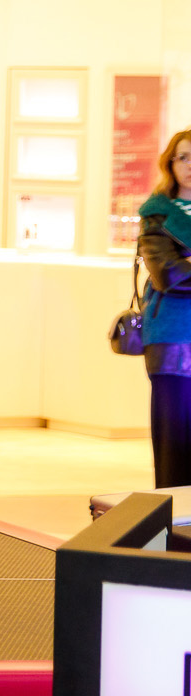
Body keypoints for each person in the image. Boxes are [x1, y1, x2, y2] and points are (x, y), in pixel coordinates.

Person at [136, 129, 191, 489]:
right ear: (170, 163)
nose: (190, 166)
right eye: (184, 157)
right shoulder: (157, 214)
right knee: (176, 446)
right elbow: (171, 275)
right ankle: (178, 519)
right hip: (174, 341)